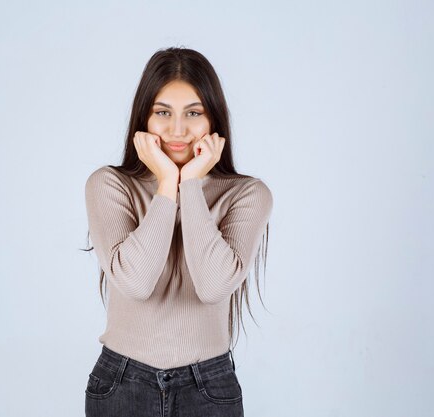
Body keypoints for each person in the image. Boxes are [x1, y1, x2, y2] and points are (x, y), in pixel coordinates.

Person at [83, 46, 273, 417]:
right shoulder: (109, 185)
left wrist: (191, 185)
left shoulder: (247, 194)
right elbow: (135, 283)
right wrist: (167, 183)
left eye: (194, 113)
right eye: (162, 112)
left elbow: (213, 286)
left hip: (208, 385)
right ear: (144, 118)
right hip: (122, 381)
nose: (177, 130)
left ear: (213, 120)